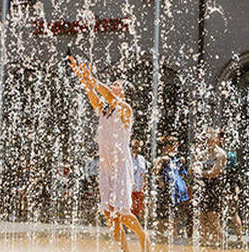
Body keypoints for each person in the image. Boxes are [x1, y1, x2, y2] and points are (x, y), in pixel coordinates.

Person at [68, 56, 151, 252]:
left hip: (121, 164)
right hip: (106, 164)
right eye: (112, 84)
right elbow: (93, 96)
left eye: (117, 85)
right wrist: (86, 81)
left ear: (124, 93)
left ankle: (142, 237)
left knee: (122, 213)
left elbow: (107, 95)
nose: (113, 86)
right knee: (108, 213)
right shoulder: (106, 110)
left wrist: (93, 80)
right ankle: (125, 250)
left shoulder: (125, 109)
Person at [151, 136, 189, 243]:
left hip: (175, 193)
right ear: (167, 146)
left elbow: (184, 175)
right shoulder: (160, 159)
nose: (176, 147)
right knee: (161, 218)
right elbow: (154, 172)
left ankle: (173, 240)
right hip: (164, 192)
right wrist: (160, 180)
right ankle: (160, 240)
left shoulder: (177, 159)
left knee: (174, 218)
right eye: (173, 145)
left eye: (176, 145)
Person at [193, 128, 227, 245]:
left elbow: (214, 173)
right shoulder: (202, 154)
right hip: (203, 188)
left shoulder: (221, 154)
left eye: (210, 138)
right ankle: (204, 244)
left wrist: (200, 172)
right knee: (202, 218)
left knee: (213, 219)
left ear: (215, 139)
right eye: (205, 138)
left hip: (214, 189)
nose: (207, 140)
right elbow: (194, 168)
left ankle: (221, 244)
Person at [130, 139, 147, 223]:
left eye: (137, 147)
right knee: (130, 209)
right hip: (130, 189)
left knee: (139, 209)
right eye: (133, 147)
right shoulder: (127, 159)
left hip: (139, 188)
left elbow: (144, 173)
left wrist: (145, 186)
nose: (135, 149)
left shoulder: (142, 159)